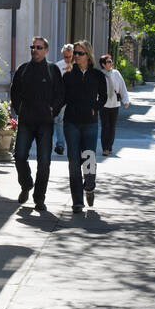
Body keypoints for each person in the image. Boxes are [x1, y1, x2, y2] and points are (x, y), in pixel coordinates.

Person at [10, 36, 65, 211]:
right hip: (26, 121)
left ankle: (39, 198)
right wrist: (19, 110)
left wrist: (53, 110)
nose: (35, 50)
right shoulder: (23, 69)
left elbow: (61, 94)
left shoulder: (52, 70)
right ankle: (26, 185)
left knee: (44, 162)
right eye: (33, 47)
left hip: (45, 124)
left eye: (39, 47)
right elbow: (14, 92)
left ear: (46, 50)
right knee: (19, 156)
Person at [62, 39, 107, 213]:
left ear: (88, 55)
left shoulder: (97, 75)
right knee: (73, 162)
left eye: (80, 53)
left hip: (90, 123)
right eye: (75, 54)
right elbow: (62, 98)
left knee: (89, 158)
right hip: (71, 123)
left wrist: (94, 108)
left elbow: (103, 97)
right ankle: (77, 201)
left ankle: (89, 186)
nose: (77, 56)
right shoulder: (68, 75)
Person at [98, 53, 130, 155]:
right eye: (108, 61)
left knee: (112, 127)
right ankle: (105, 148)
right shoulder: (99, 75)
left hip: (114, 104)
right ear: (103, 64)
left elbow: (122, 87)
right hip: (103, 105)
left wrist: (125, 101)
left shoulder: (116, 73)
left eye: (111, 61)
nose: (111, 63)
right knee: (105, 127)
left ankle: (110, 146)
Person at [53, 43, 72, 154]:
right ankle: (60, 144)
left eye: (70, 56)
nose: (68, 59)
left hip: (75, 98)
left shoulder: (78, 65)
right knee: (60, 120)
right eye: (66, 56)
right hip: (62, 97)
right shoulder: (58, 66)